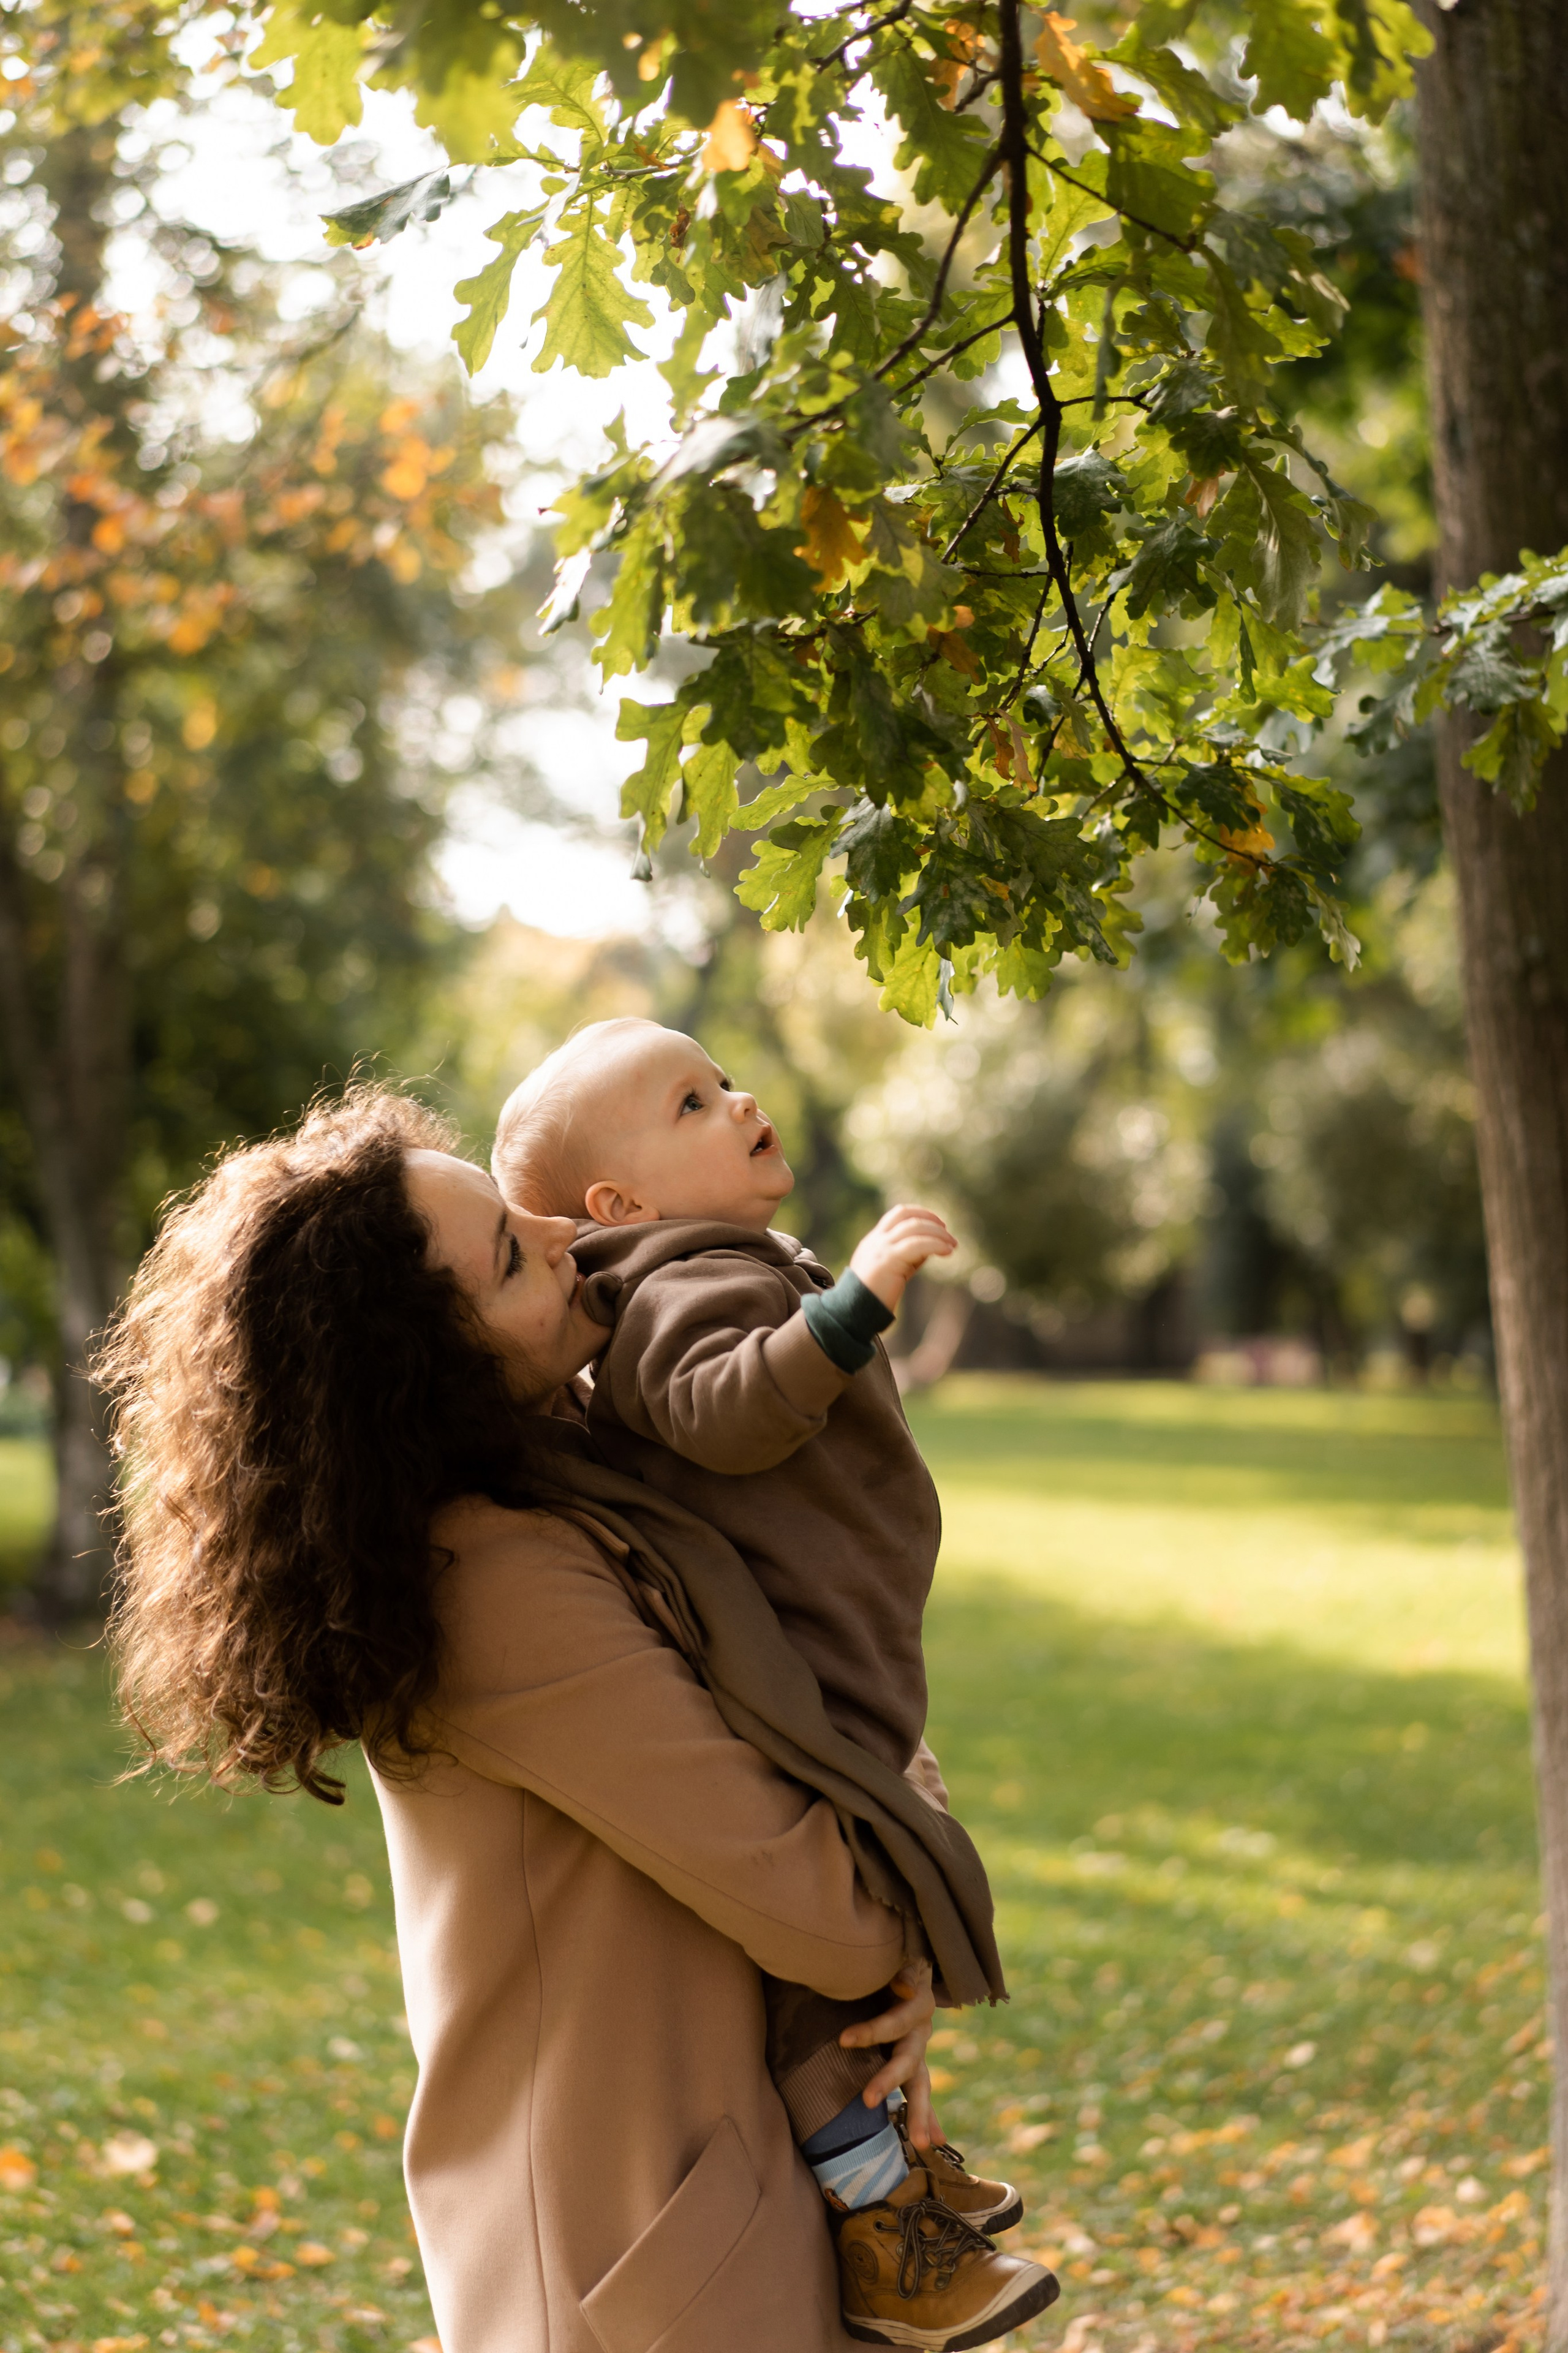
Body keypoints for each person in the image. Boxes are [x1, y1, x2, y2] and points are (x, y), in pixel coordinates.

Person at [98, 1087, 1057, 2353]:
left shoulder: (577, 1471)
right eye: (509, 1255)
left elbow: (816, 1693)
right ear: (423, 1377)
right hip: (640, 2252)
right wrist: (904, 1928)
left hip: (700, 2199)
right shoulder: (490, 1584)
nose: (563, 1238)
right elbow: (823, 1914)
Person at [489, 1023, 1026, 2241]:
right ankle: (874, 2204)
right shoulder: (670, 1286)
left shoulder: (714, 1252)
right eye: (690, 1103)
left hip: (844, 1633)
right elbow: (720, 1410)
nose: (736, 1102)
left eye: (722, 1079)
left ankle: (895, 2157)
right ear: (619, 1201)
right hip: (793, 1654)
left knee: (868, 1919)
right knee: (820, 1977)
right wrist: (849, 1312)